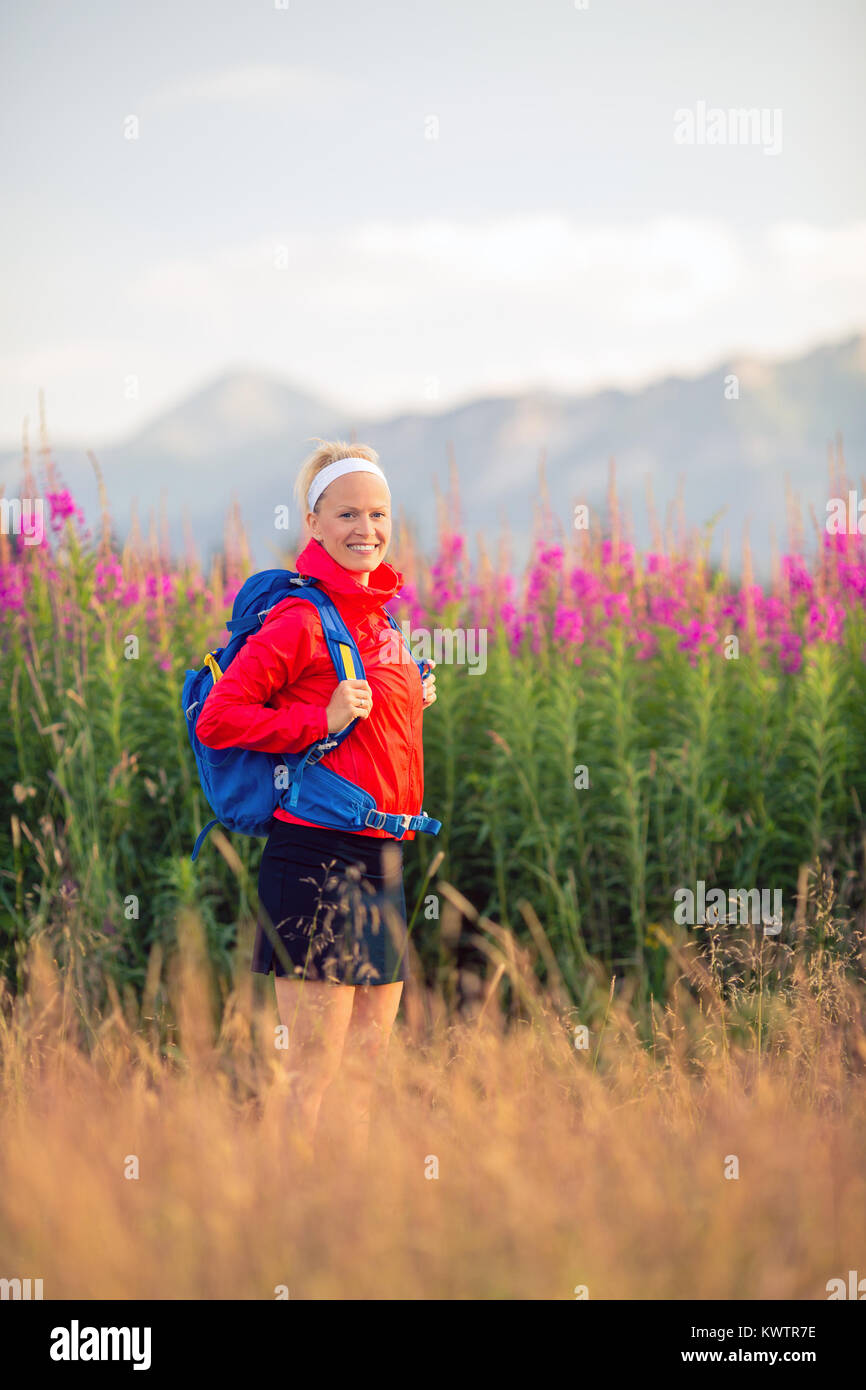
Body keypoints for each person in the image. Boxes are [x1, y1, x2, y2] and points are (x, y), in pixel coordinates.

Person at [195, 439, 437, 1162]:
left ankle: (343, 1225)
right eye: (348, 514)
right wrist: (316, 721)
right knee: (312, 1075)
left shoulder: (381, 618)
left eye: (378, 512)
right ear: (315, 522)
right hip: (317, 858)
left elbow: (371, 726)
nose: (367, 527)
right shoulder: (300, 619)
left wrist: (412, 691)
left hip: (383, 858)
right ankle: (282, 1224)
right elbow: (220, 718)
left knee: (362, 1074)